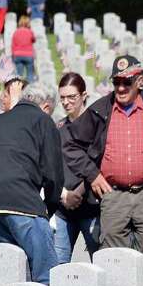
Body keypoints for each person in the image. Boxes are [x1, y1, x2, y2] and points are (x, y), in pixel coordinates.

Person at [64, 54, 143, 286]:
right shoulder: (100, 109)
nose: (121, 88)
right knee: (112, 257)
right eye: (116, 82)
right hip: (113, 194)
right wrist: (93, 175)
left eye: (126, 82)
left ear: (139, 81)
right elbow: (70, 144)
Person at [0, 80, 63, 284]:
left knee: (8, 277)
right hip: (23, 206)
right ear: (46, 107)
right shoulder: (43, 121)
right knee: (45, 275)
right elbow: (53, 173)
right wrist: (48, 209)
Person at [55, 72, 100, 263]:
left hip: (90, 206)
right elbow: (51, 167)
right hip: (63, 208)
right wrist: (65, 194)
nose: (66, 102)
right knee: (58, 264)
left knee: (98, 260)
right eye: (62, 98)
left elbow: (98, 163)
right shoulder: (58, 129)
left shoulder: (97, 126)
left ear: (84, 96)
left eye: (71, 97)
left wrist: (79, 192)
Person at [11, 16, 35, 82]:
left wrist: (13, 56)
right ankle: (30, 90)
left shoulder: (16, 32)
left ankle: (19, 89)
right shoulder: (30, 32)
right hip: (28, 55)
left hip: (17, 55)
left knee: (19, 75)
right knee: (30, 74)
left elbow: (13, 45)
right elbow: (34, 39)